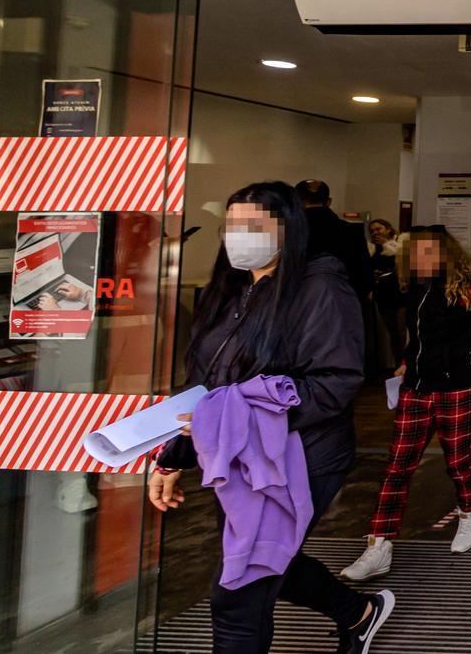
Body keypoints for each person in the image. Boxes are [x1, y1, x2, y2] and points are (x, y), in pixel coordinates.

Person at [148, 181, 393, 654]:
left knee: (239, 590)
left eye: (255, 225)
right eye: (233, 224)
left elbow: (335, 382)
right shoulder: (228, 290)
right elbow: (205, 391)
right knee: (264, 561)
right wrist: (174, 455)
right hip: (242, 457)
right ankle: (359, 613)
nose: (241, 234)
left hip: (300, 458)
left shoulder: (320, 286)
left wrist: (235, 416)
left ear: (287, 230)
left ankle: (357, 613)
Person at [342, 225, 471, 581]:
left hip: (460, 385)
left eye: (428, 252)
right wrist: (410, 360)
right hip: (417, 386)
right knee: (397, 466)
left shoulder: (468, 285)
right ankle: (378, 545)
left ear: (445, 254)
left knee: (459, 459)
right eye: (415, 253)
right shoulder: (416, 288)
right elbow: (421, 333)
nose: (420, 258)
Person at [295, 179, 374, 300]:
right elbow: (365, 280)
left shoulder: (289, 232)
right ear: (329, 201)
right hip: (342, 302)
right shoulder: (352, 231)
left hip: (299, 305)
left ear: (296, 201)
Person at [368, 219, 404, 373]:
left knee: (403, 332)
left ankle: (405, 364)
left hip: (401, 295)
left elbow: (400, 262)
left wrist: (386, 245)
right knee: (393, 333)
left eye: (379, 229)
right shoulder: (371, 248)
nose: (376, 232)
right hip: (383, 295)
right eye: (373, 231)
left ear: (388, 228)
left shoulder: (400, 243)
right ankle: (397, 365)